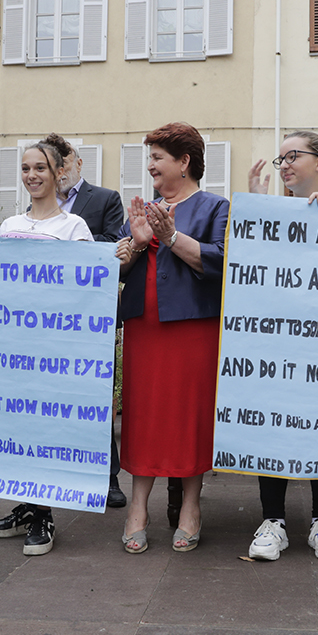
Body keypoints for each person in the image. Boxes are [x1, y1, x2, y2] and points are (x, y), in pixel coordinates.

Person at [114, 122, 228, 554]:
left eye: (158, 157)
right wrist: (136, 245)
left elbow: (218, 261)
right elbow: (122, 268)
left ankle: (191, 507)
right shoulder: (145, 207)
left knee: (188, 414)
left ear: (184, 162)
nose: (150, 166)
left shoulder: (216, 206)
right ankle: (137, 508)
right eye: (151, 157)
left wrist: (171, 236)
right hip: (145, 325)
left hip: (193, 327)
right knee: (143, 414)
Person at [243, 130, 318, 561]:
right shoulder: (270, 212)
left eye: (293, 156)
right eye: (280, 158)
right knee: (274, 423)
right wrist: (256, 204)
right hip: (275, 342)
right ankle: (274, 522)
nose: (284, 164)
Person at [0, 140, 93, 556]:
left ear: (58, 175)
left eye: (41, 169)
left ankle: (44, 513)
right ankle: (28, 506)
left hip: (52, 347)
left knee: (44, 428)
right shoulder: (8, 224)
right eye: (27, 169)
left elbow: (84, 290)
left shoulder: (75, 228)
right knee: (15, 427)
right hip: (11, 345)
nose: (32, 176)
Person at [42, 133, 128, 509]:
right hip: (43, 315)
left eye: (64, 161)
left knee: (93, 396)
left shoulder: (106, 199)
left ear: (77, 163)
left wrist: (66, 241)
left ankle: (107, 478)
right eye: (50, 163)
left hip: (89, 313)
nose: (58, 170)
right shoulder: (36, 205)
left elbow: (113, 242)